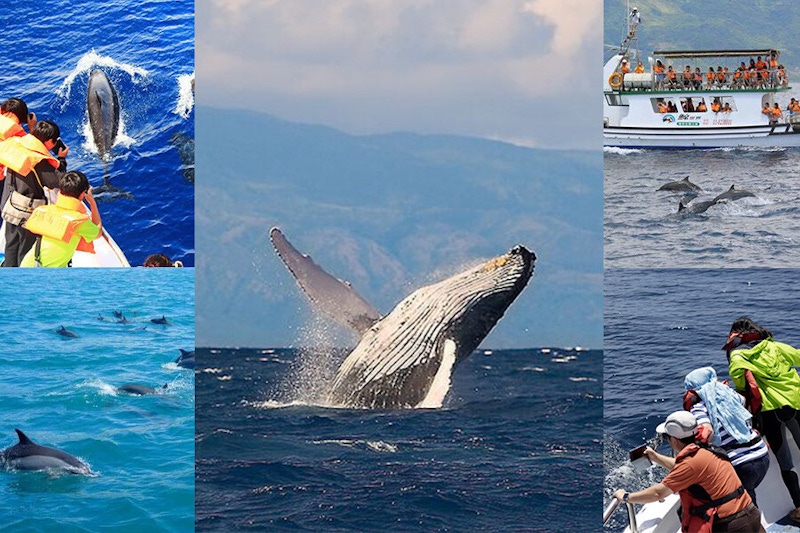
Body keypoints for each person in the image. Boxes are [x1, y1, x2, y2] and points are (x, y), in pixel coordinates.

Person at [612, 411, 764, 533]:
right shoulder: (705, 450)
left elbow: (659, 493)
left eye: (667, 438)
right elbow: (688, 470)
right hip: (750, 513)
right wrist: (656, 457)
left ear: (675, 441)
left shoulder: (691, 464)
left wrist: (626, 497)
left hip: (732, 525)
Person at [726, 316, 800, 522]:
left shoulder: (738, 357)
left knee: (785, 461)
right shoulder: (775, 347)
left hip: (769, 412)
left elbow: (741, 386)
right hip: (796, 402)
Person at [683, 367, 770, 507]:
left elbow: (708, 433)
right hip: (762, 455)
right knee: (750, 499)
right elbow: (743, 402)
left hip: (741, 464)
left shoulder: (698, 407)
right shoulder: (730, 395)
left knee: (745, 508)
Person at [0, 119, 68, 266]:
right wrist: (62, 160)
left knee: (11, 245)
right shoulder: (38, 160)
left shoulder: (17, 144)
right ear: (49, 141)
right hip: (26, 212)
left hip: (9, 205)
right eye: (54, 142)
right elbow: (59, 182)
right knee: (26, 251)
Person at [20, 171, 101, 268]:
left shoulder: (47, 210)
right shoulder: (78, 221)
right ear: (83, 194)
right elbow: (98, 232)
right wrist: (92, 202)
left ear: (61, 190)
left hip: (28, 264)